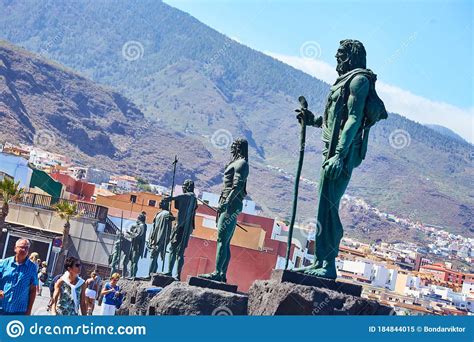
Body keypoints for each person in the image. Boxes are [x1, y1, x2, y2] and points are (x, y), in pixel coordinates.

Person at [200, 139, 249, 283]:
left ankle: (217, 272)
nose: (232, 150)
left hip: (231, 204)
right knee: (225, 242)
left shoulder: (241, 163)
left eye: (233, 147)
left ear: (238, 148)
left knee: (222, 239)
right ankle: (221, 274)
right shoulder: (237, 162)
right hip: (229, 203)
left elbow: (238, 185)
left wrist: (227, 203)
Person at [163, 180, 197, 280]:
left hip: (181, 228)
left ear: (187, 187)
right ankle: (176, 274)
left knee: (173, 249)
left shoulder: (189, 196)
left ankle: (171, 272)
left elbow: (180, 197)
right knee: (179, 252)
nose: (183, 188)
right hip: (185, 228)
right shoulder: (193, 198)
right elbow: (179, 206)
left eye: (184, 186)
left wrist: (171, 198)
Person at [0, 239, 38, 315]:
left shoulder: (32, 267)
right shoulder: (4, 263)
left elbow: (33, 289)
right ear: (15, 248)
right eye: (21, 247)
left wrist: (29, 310)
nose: (24, 250)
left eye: (26, 248)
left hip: (19, 311)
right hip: (1, 307)